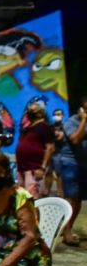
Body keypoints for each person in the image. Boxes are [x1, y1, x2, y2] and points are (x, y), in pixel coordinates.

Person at [15, 100, 54, 199]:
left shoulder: (44, 127)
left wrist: (43, 168)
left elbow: (50, 148)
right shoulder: (28, 128)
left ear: (41, 113)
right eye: (29, 110)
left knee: (33, 199)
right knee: (22, 200)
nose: (29, 112)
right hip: (22, 169)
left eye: (33, 110)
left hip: (35, 169)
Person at [61, 99, 87, 245]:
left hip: (84, 164)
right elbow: (75, 139)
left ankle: (68, 227)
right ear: (81, 110)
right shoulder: (71, 122)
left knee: (78, 199)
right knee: (71, 198)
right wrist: (83, 121)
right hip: (70, 162)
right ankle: (66, 232)